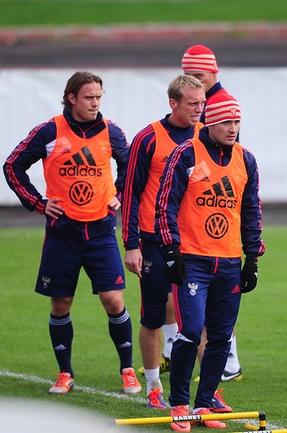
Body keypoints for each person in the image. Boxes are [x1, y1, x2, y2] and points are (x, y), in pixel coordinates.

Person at [3, 71, 141, 395]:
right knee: (61, 304)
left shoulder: (111, 131)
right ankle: (65, 372)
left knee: (113, 301)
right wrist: (38, 203)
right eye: (89, 97)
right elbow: (12, 166)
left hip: (101, 233)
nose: (95, 103)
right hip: (62, 235)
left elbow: (132, 166)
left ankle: (127, 370)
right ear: (71, 98)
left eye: (99, 97)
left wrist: (119, 193)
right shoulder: (49, 131)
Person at [156, 92, 265, 431]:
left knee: (220, 337)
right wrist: (171, 251)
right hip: (193, 261)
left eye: (237, 122)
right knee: (190, 331)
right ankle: (179, 404)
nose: (233, 128)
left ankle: (203, 405)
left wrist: (252, 258)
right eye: (226, 122)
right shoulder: (186, 153)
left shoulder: (246, 160)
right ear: (211, 123)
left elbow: (252, 211)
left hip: (229, 263)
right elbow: (166, 204)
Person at [121, 75, 207, 409]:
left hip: (195, 243)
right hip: (154, 242)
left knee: (201, 319)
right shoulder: (148, 138)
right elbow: (131, 193)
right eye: (192, 104)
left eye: (202, 103)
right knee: (153, 316)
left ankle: (208, 391)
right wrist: (131, 244)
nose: (199, 110)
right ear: (173, 103)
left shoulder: (207, 136)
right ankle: (154, 385)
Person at [181, 43, 243, 382]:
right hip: (203, 214)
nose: (195, 81)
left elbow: (226, 156)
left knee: (211, 303)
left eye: (199, 74)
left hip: (211, 215)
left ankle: (226, 361)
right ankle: (213, 358)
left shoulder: (218, 104)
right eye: (189, 75)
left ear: (214, 71)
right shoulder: (200, 99)